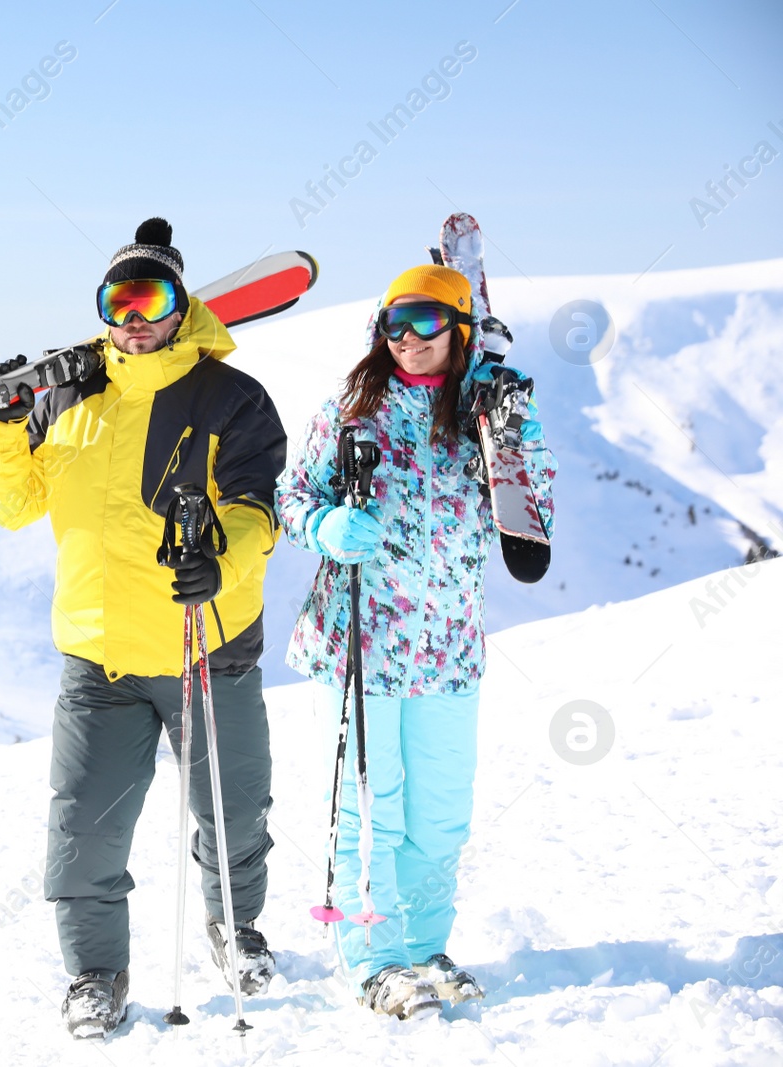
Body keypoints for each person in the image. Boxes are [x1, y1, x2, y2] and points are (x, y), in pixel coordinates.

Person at [0, 218, 288, 1038]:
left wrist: (226, 559)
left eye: (152, 296)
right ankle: (95, 975)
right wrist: (6, 428)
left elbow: (259, 508)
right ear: (105, 311)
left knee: (236, 810)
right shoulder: (69, 399)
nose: (136, 314)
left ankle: (237, 927)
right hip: (99, 657)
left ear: (181, 306)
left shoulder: (232, 398)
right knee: (84, 823)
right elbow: (14, 506)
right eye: (121, 298)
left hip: (205, 645)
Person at [274, 264, 557, 1019]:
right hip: (361, 642)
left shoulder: (485, 416)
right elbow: (292, 496)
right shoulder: (353, 407)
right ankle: (376, 956)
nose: (407, 337)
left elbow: (535, 511)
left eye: (427, 321)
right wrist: (326, 525)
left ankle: (427, 945)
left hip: (450, 648)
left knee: (441, 813)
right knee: (374, 808)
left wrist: (514, 419)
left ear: (460, 329)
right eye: (395, 322)